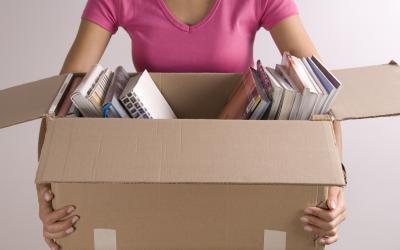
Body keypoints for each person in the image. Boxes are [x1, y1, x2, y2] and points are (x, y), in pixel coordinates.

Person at [37, 0, 346, 249]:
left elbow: (323, 97)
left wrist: (334, 188)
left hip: (235, 168)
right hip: (154, 168)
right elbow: (61, 104)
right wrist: (46, 194)